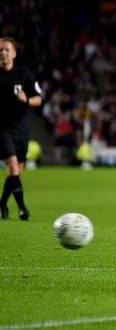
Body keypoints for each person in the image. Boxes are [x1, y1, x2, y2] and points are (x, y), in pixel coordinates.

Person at [0, 37, 43, 220]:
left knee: (17, 175)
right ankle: (23, 208)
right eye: (0, 50)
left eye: (6, 49)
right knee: (14, 170)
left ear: (14, 53)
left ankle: (3, 206)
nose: (3, 53)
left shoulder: (23, 74)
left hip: (20, 129)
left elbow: (38, 99)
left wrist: (26, 100)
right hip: (1, 128)